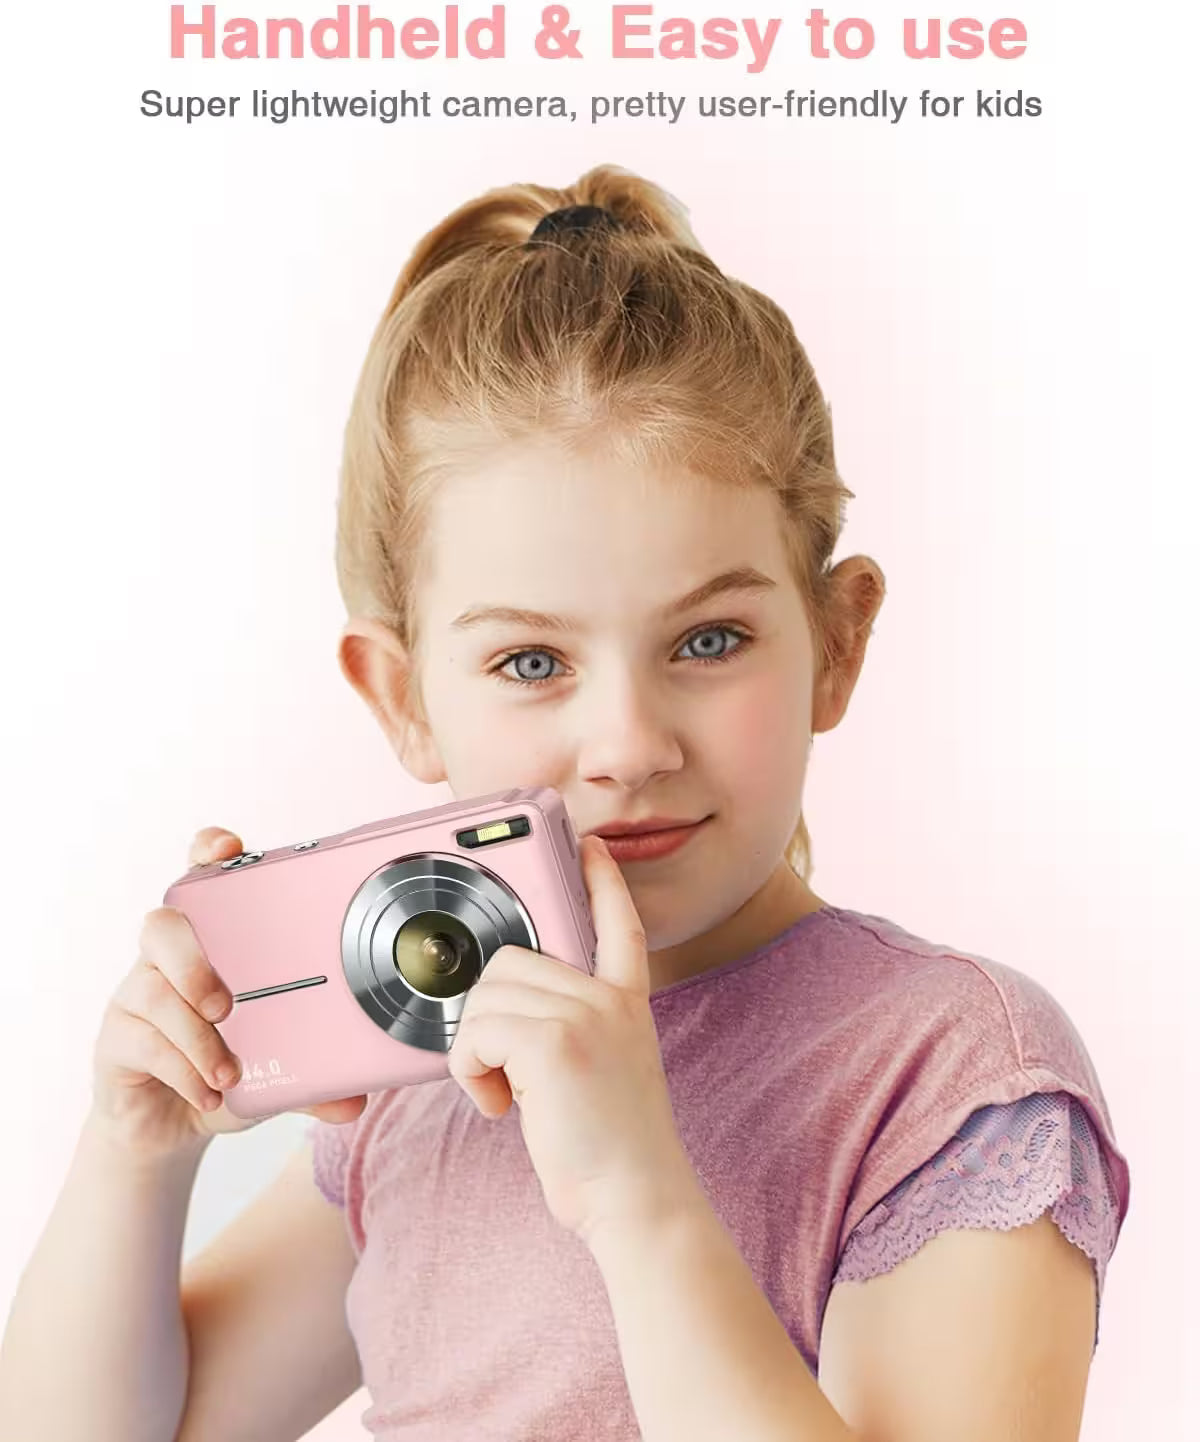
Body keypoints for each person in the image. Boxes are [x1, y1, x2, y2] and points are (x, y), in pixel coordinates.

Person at [0, 165, 1130, 1442]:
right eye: (532, 662)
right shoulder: (432, 1080)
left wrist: (635, 1192)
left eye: (708, 640)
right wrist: (133, 1155)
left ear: (838, 639)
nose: (630, 744)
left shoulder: (951, 1074)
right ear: (401, 699)